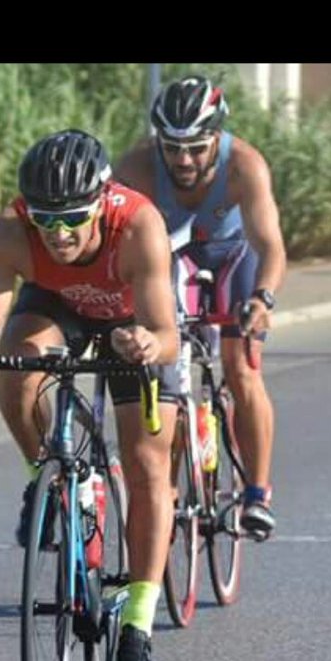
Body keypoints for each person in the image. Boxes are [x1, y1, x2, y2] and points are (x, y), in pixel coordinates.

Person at [0, 129, 179, 661]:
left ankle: (139, 623)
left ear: (101, 201)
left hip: (132, 322)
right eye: (44, 218)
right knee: (17, 365)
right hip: (57, 307)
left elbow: (167, 333)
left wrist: (148, 344)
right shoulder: (10, 228)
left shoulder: (140, 225)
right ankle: (46, 479)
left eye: (72, 217)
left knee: (148, 463)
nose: (57, 233)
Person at [115, 75, 287, 538]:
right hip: (169, 261)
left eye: (196, 147)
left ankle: (256, 491)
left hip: (234, 256)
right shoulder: (135, 168)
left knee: (240, 365)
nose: (184, 160)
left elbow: (270, 245)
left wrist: (262, 299)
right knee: (160, 366)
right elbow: (113, 241)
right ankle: (165, 488)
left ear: (217, 137)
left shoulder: (245, 165)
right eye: (172, 148)